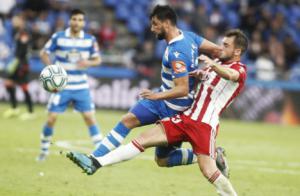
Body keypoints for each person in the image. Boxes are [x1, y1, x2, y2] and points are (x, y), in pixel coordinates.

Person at [67, 29, 248, 196]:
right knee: (144, 140)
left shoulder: (240, 69)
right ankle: (95, 163)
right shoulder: (216, 63)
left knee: (208, 171)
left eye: (226, 45)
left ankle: (225, 183)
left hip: (204, 125)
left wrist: (214, 67)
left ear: (237, 51)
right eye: (222, 43)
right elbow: (210, 80)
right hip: (185, 117)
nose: (220, 47)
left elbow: (230, 76)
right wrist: (199, 74)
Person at [86, 4, 223, 171]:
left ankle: (212, 155)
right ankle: (93, 159)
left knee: (163, 159)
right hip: (162, 99)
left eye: (155, 24)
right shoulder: (189, 37)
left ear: (166, 23)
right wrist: (211, 68)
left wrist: (156, 96)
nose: (152, 28)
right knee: (127, 120)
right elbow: (218, 50)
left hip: (175, 109)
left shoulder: (178, 52)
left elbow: (182, 89)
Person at [36, 9, 103, 161]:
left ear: (83, 23)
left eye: (80, 20)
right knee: (52, 118)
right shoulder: (58, 37)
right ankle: (44, 150)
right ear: (69, 21)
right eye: (74, 19)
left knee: (89, 117)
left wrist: (89, 62)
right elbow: (43, 53)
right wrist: (52, 68)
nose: (77, 22)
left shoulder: (90, 40)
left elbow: (98, 59)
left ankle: (101, 152)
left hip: (81, 85)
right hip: (61, 87)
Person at [3, 14, 35, 121]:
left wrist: (17, 61)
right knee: (8, 83)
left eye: (15, 20)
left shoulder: (24, 33)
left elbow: (23, 50)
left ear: (21, 20)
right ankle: (14, 108)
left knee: (24, 87)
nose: (13, 22)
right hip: (16, 62)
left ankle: (30, 112)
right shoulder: (17, 33)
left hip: (22, 64)